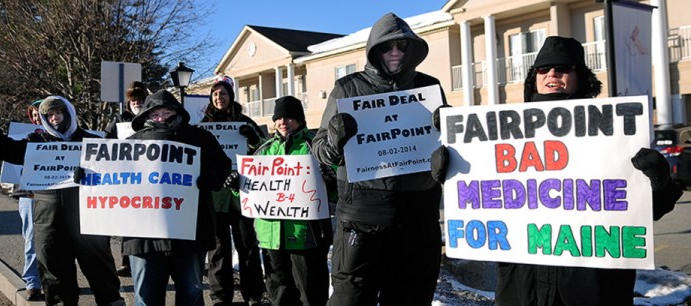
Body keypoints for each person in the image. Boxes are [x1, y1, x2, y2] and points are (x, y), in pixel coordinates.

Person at [431, 36, 682, 306]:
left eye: (563, 68)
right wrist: (451, 172)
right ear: (534, 78)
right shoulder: (501, 138)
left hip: (592, 288)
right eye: (543, 69)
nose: (552, 73)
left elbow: (644, 213)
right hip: (523, 287)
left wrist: (659, 181)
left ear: (580, 77)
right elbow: (481, 199)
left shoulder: (616, 133)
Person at [310, 12, 447, 306]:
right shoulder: (347, 88)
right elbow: (319, 149)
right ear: (375, 50)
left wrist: (445, 153)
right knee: (351, 299)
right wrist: (335, 140)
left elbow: (452, 146)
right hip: (362, 218)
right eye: (387, 47)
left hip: (418, 219)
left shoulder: (430, 88)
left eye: (402, 46)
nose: (395, 52)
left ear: (412, 51)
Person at [0, 96, 124, 306]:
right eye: (49, 115)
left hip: (89, 222)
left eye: (58, 113)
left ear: (69, 113)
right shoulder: (36, 143)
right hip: (49, 223)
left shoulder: (91, 142)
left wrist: (93, 173)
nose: (54, 118)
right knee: (55, 280)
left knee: (102, 275)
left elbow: (119, 172)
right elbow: (3, 147)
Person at [122, 90, 231, 306]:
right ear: (145, 115)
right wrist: (89, 176)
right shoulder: (130, 144)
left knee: (191, 295)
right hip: (144, 238)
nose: (161, 116)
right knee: (146, 298)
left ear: (177, 111)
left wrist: (210, 178)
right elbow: (110, 179)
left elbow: (223, 166)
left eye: (167, 111)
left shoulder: (200, 138)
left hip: (189, 234)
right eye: (155, 112)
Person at [226, 96, 333, 306]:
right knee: (279, 291)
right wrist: (237, 186)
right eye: (279, 118)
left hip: (306, 234)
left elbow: (335, 191)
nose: (283, 122)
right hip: (270, 235)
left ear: (300, 120)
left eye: (289, 117)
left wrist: (330, 179)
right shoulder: (264, 149)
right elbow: (252, 194)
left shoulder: (313, 146)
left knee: (310, 291)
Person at [201, 76, 267, 306]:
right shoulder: (204, 125)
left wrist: (252, 140)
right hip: (216, 194)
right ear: (211, 98)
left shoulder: (245, 123)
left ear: (231, 97)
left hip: (242, 193)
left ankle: (254, 294)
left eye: (224, 93)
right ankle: (220, 297)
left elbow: (264, 152)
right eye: (216, 94)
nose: (220, 97)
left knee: (247, 246)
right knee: (218, 250)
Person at [104, 80, 149, 277]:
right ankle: (126, 261)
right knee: (127, 220)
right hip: (126, 176)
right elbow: (105, 144)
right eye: (133, 100)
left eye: (140, 99)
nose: (136, 103)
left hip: (149, 176)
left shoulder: (152, 118)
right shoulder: (119, 121)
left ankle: (145, 257)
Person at [17, 99, 44, 301]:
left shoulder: (65, 137)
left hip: (56, 196)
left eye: (41, 114)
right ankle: (33, 282)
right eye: (34, 115)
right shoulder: (25, 139)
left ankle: (57, 281)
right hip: (29, 195)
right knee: (32, 238)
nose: (37, 118)